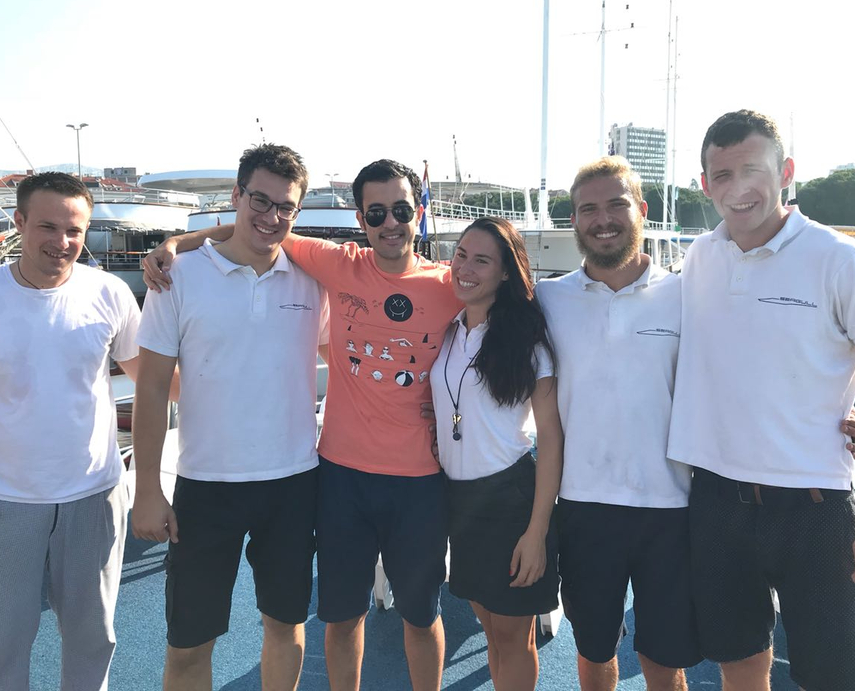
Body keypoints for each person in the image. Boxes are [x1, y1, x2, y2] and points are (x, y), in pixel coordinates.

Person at [142, 158, 460, 691]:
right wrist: (179, 240)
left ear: (418, 211)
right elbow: (152, 385)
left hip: (337, 482)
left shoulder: (414, 282)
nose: (390, 222)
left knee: (343, 623)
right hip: (265, 481)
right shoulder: (195, 275)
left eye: (401, 209)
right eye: (376, 212)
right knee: (210, 640)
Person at [667, 109, 855, 691]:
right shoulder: (699, 259)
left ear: (785, 171)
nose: (738, 189)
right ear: (705, 183)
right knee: (738, 664)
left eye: (752, 170)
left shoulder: (840, 260)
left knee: (833, 678)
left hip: (813, 508)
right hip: (715, 500)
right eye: (721, 175)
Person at [0, 172, 145, 691]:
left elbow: (154, 385)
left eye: (75, 229)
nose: (63, 242)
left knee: (93, 647)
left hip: (95, 495)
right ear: (18, 222)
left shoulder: (111, 293)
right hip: (2, 502)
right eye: (48, 226)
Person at [131, 144, 329, 691]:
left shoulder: (313, 278)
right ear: (236, 196)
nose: (271, 217)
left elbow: (346, 358)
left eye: (285, 207)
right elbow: (149, 390)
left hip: (293, 483)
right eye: (259, 201)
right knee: (189, 644)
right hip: (206, 486)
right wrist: (148, 487)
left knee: (285, 627)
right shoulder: (178, 277)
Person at [536, 157, 701, 691]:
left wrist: (840, 411)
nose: (602, 219)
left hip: (670, 508)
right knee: (594, 648)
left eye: (616, 205)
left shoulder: (687, 297)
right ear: (574, 220)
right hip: (583, 506)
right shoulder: (547, 299)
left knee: (662, 658)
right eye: (588, 209)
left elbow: (747, 374)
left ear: (642, 210)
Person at [430, 217, 562, 691]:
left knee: (512, 635)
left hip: (510, 499)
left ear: (506, 273)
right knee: (488, 623)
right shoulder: (446, 330)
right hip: (458, 499)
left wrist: (537, 532)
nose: (465, 267)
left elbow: (550, 438)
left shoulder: (528, 342)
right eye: (461, 254)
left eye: (481, 260)